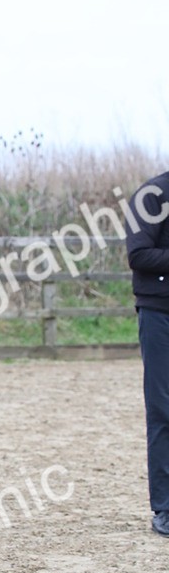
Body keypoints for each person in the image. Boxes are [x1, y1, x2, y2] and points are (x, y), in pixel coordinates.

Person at [126, 171, 169, 535]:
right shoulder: (152, 196)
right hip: (160, 313)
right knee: (162, 408)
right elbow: (139, 253)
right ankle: (165, 508)